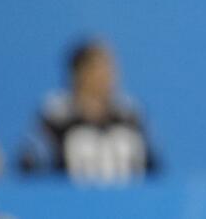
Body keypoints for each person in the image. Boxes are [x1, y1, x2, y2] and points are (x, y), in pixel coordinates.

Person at [18, 39, 158, 183]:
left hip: (129, 202)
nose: (107, 75)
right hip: (71, 203)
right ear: (78, 73)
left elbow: (153, 167)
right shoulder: (56, 118)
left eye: (110, 67)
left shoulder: (129, 115)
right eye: (98, 67)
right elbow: (30, 164)